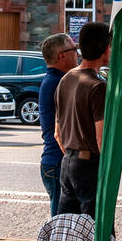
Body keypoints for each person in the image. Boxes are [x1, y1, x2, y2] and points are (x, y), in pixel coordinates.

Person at [56, 22, 110, 217]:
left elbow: (58, 132)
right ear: (105, 49)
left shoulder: (67, 78)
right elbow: (101, 138)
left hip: (68, 161)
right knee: (97, 227)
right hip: (88, 163)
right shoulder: (98, 86)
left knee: (68, 226)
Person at [38, 33, 78, 216]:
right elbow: (59, 132)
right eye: (74, 50)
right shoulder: (59, 82)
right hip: (57, 161)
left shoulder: (55, 80)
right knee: (60, 223)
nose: (77, 54)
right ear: (62, 55)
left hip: (54, 161)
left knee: (64, 219)